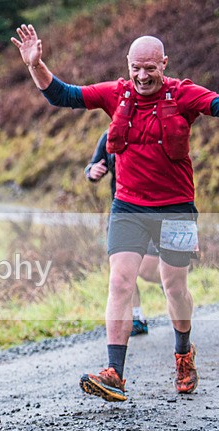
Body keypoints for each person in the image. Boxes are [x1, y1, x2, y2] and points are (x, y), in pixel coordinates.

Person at [12, 25, 219, 402]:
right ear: (128, 66)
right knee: (120, 282)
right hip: (128, 207)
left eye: (150, 68)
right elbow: (62, 95)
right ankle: (115, 373)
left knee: (175, 288)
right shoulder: (116, 94)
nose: (142, 76)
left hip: (176, 208)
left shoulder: (183, 94)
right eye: (136, 68)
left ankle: (184, 353)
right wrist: (36, 65)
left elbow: (216, 104)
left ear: (164, 64)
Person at [85, 129, 162, 336]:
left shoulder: (153, 130)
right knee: (122, 269)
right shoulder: (110, 134)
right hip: (121, 213)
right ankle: (136, 318)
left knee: (146, 270)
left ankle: (169, 283)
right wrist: (92, 172)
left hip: (152, 210)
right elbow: (93, 165)